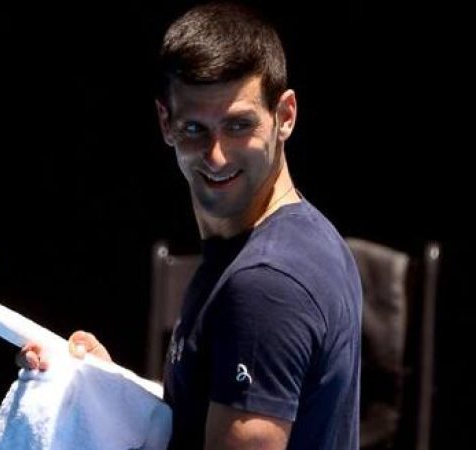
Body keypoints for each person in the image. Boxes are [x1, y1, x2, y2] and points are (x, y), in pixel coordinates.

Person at [18, 2, 362, 449]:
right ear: (166, 123)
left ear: (285, 116)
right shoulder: (294, 242)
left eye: (239, 125)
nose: (216, 156)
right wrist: (110, 393)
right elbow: (198, 419)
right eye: (195, 129)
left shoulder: (264, 285)